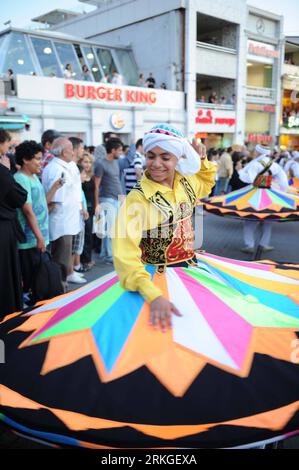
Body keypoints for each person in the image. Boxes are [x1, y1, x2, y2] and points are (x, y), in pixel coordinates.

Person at [113, 124, 216, 328]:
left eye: (165, 157)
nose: (156, 164)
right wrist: (153, 295)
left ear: (178, 158)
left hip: (190, 269)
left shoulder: (185, 182)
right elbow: (124, 254)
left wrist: (202, 160)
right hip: (154, 278)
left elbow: (206, 183)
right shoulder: (137, 199)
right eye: (151, 156)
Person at [42, 137, 83, 286]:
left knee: (67, 252)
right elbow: (54, 199)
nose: (74, 152)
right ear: (64, 152)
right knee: (61, 254)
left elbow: (76, 190)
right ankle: (60, 284)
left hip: (70, 217)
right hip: (60, 219)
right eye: (71, 149)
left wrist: (80, 208)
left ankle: (66, 277)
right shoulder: (55, 169)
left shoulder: (69, 165)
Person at [14, 141, 49, 295]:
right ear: (25, 160)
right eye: (37, 158)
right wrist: (39, 237)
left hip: (39, 237)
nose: (40, 162)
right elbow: (27, 210)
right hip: (30, 240)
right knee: (31, 281)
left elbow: (40, 203)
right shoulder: (21, 179)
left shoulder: (34, 177)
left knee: (41, 279)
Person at [239, 144, 289, 254]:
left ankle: (250, 245)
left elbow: (249, 180)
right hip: (270, 194)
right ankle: (264, 244)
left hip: (254, 194)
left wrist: (240, 173)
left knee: (250, 220)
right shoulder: (275, 165)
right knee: (268, 220)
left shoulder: (254, 165)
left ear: (258, 152)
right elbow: (284, 182)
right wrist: (282, 193)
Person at [0, 129, 27, 319]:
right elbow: (19, 196)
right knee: (5, 276)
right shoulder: (2, 170)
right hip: (3, 229)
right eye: (6, 146)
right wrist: (6, 170)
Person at [94, 138, 135, 264]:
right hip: (106, 199)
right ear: (113, 150)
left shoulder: (117, 163)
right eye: (120, 150)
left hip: (117, 200)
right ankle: (108, 256)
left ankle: (107, 254)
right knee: (109, 229)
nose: (121, 153)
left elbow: (118, 180)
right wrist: (96, 205)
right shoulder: (101, 164)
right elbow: (96, 185)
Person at [80, 152, 96, 269]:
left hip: (91, 208)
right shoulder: (78, 176)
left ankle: (88, 259)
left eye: (90, 162)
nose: (88, 164)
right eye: (85, 162)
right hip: (82, 209)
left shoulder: (92, 176)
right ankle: (84, 260)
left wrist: (97, 205)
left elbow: (95, 191)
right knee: (85, 235)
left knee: (89, 234)